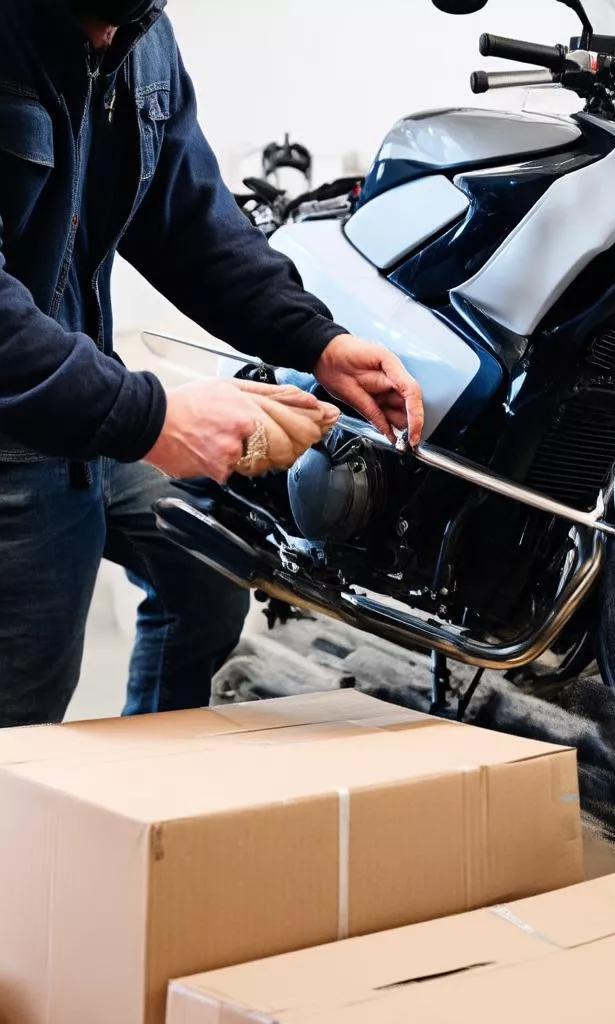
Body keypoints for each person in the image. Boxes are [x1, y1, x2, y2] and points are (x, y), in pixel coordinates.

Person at [0, 0, 424, 727]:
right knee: (26, 710)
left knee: (206, 568)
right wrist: (151, 417)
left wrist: (315, 341)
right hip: (16, 440)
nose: (109, 35)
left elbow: (190, 222)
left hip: (82, 411)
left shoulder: (144, 39)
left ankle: (149, 808)